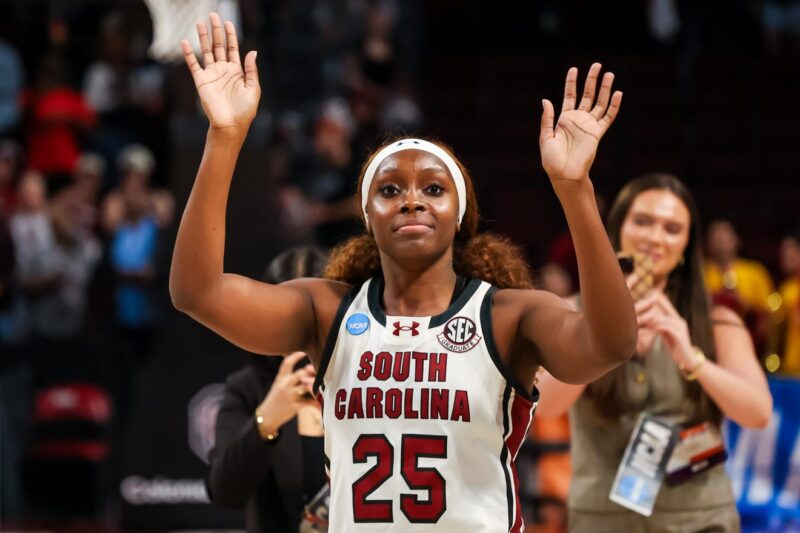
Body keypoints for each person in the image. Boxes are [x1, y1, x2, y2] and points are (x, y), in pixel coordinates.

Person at [171, 13, 637, 532]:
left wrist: (575, 191)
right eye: (390, 190)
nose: (412, 200)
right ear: (368, 217)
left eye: (434, 189)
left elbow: (612, 344)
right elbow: (197, 292)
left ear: (459, 215)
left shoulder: (508, 314)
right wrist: (224, 137)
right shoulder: (326, 310)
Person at [536, 174, 773, 532]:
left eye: (672, 229)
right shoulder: (572, 312)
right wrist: (602, 330)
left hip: (699, 518)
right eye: (643, 222)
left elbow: (758, 414)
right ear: (617, 230)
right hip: (602, 519)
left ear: (685, 247)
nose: (655, 237)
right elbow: (545, 405)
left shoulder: (717, 321)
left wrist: (691, 356)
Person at [207, 246, 328, 533]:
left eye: (314, 319)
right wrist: (268, 419)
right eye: (289, 320)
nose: (302, 337)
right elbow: (224, 493)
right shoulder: (248, 388)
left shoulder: (364, 378)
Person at [704, 219, 775, 357]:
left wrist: (745, 304)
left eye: (724, 238)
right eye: (716, 239)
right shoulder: (700, 272)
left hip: (747, 343)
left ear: (736, 241)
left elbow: (767, 317)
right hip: (708, 342)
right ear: (708, 243)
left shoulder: (755, 272)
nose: (721, 244)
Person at [773, 230, 800, 375]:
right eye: (783, 254)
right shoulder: (786, 289)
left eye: (792, 251)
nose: (786, 257)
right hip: (791, 368)